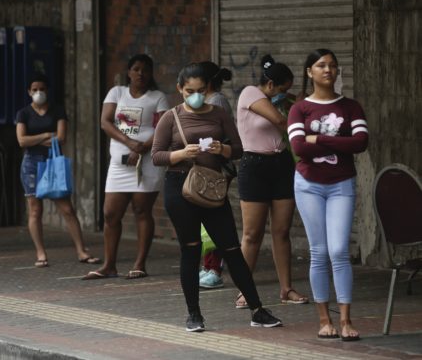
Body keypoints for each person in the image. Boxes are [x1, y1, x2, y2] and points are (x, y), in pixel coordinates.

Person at [152, 62, 282, 332]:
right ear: (180, 90)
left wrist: (221, 148)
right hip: (180, 187)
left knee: (232, 249)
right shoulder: (171, 117)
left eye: (200, 90)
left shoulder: (219, 114)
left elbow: (238, 149)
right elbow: (156, 156)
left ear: (207, 89)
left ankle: (257, 309)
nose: (195, 96)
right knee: (191, 250)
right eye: (189, 91)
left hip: (212, 187)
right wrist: (181, 154)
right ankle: (194, 314)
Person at [287, 49, 368, 341]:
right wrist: (338, 143)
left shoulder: (351, 106)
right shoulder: (299, 109)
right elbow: (298, 148)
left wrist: (319, 138)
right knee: (319, 252)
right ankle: (324, 319)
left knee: (339, 251)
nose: (328, 70)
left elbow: (360, 142)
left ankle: (346, 320)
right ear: (309, 71)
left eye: (333, 66)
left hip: (341, 184)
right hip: (308, 184)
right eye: (321, 65)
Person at [83, 54, 168, 280]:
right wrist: (130, 143)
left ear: (151, 74)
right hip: (119, 164)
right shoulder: (116, 92)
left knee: (142, 211)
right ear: (128, 72)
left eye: (145, 70)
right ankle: (109, 265)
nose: (140, 73)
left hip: (146, 163)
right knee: (110, 214)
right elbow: (105, 122)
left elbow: (162, 129)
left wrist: (141, 148)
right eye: (136, 69)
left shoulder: (157, 97)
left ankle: (139, 264)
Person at [235, 54, 308, 309]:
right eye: (283, 89)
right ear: (271, 85)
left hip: (281, 164)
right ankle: (245, 291)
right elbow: (279, 121)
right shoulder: (250, 93)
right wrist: (299, 112)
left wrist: (294, 104)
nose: (285, 94)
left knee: (282, 232)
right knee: (252, 234)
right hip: (254, 166)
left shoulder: (282, 102)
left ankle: (287, 289)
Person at [16, 73, 100, 268]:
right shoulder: (24, 113)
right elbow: (22, 140)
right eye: (34, 89)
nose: (38, 92)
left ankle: (81, 250)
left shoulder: (58, 111)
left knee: (67, 208)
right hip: (31, 164)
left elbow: (62, 137)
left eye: (42, 89)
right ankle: (41, 253)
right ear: (29, 91)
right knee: (35, 209)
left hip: (54, 163)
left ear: (48, 90)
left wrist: (35, 138)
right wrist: (46, 134)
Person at [198, 61, 235, 289]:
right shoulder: (208, 100)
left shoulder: (216, 101)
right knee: (206, 217)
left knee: (213, 217)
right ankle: (208, 265)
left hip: (217, 167)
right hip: (208, 166)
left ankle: (214, 267)